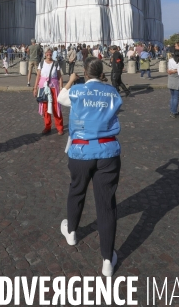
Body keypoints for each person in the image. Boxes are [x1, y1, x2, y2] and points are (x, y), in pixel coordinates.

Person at [58, 57, 122, 277]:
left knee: (77, 191)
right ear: (101, 71)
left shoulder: (76, 91)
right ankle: (107, 260)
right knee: (106, 205)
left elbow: (60, 97)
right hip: (107, 151)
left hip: (81, 151)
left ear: (85, 72)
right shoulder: (112, 92)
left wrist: (70, 80)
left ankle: (72, 232)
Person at [33, 47, 64, 135]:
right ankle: (47, 126)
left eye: (50, 52)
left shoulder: (56, 63)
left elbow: (59, 76)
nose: (49, 54)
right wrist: (35, 88)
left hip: (54, 88)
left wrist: (61, 87)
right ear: (45, 54)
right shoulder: (41, 63)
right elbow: (38, 76)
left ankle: (59, 127)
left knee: (55, 107)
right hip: (43, 88)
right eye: (47, 52)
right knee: (45, 108)